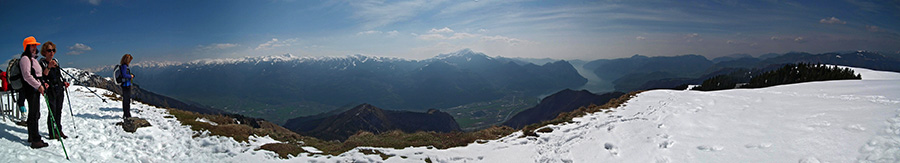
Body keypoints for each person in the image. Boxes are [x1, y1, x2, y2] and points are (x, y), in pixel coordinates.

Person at [20, 36, 48, 148]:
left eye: (35, 45)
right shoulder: (25, 59)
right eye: (32, 45)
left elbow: (37, 75)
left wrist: (42, 83)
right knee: (34, 114)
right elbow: (27, 76)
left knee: (35, 113)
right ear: (26, 47)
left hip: (35, 88)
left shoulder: (32, 59)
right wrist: (38, 86)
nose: (34, 47)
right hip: (31, 89)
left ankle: (32, 136)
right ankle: (35, 139)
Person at [39, 41, 69, 139]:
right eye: (49, 50)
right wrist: (49, 67)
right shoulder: (42, 62)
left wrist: (64, 81)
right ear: (45, 52)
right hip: (50, 89)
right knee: (52, 111)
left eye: (53, 50)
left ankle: (59, 130)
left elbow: (59, 74)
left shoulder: (56, 61)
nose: (51, 52)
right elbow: (42, 75)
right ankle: (52, 132)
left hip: (59, 88)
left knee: (59, 110)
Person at [119, 54, 134, 119]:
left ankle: (126, 114)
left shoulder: (123, 66)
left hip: (125, 84)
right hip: (126, 85)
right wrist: (131, 76)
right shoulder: (124, 66)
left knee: (126, 100)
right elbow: (124, 75)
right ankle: (127, 115)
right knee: (127, 100)